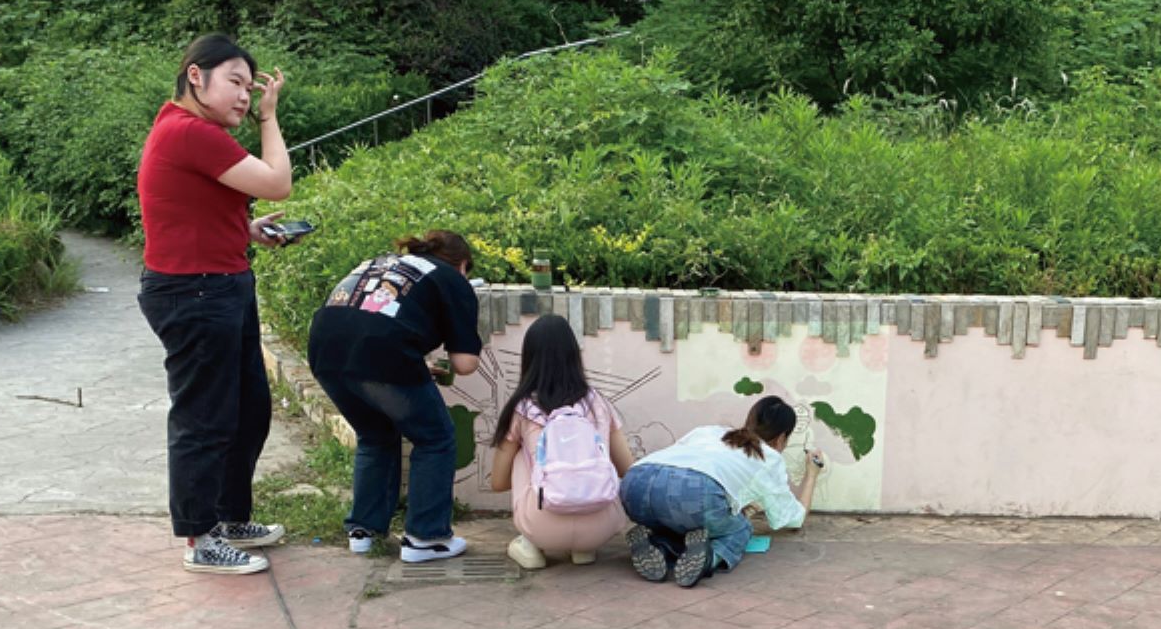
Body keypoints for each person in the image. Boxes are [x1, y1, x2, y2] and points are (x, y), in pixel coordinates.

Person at [136, 34, 294, 576]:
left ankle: (227, 517)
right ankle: (200, 538)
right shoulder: (190, 131)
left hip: (221, 283)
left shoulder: (189, 132)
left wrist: (243, 229)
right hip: (195, 292)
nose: (246, 97)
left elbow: (184, 208)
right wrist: (269, 119)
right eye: (236, 82)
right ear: (195, 76)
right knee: (203, 419)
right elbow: (277, 183)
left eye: (252, 89)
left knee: (247, 411)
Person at [307, 230, 486, 562]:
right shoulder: (452, 279)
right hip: (383, 356)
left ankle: (364, 530)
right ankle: (426, 538)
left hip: (325, 352)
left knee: (375, 436)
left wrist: (414, 360)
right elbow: (465, 364)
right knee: (435, 438)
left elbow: (373, 318)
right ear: (463, 265)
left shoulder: (385, 263)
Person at [619, 396, 823, 587]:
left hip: (634, 485)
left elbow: (676, 469)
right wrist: (812, 475)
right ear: (781, 438)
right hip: (693, 492)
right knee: (740, 528)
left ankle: (657, 545)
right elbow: (793, 519)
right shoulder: (768, 457)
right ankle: (709, 559)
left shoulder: (709, 431)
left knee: (681, 520)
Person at [487, 314, 633, 570]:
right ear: (574, 355)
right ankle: (583, 550)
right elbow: (627, 469)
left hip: (542, 526)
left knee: (522, 455)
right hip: (601, 527)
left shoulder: (522, 409)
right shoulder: (598, 403)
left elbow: (498, 483)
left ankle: (530, 546)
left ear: (529, 358)